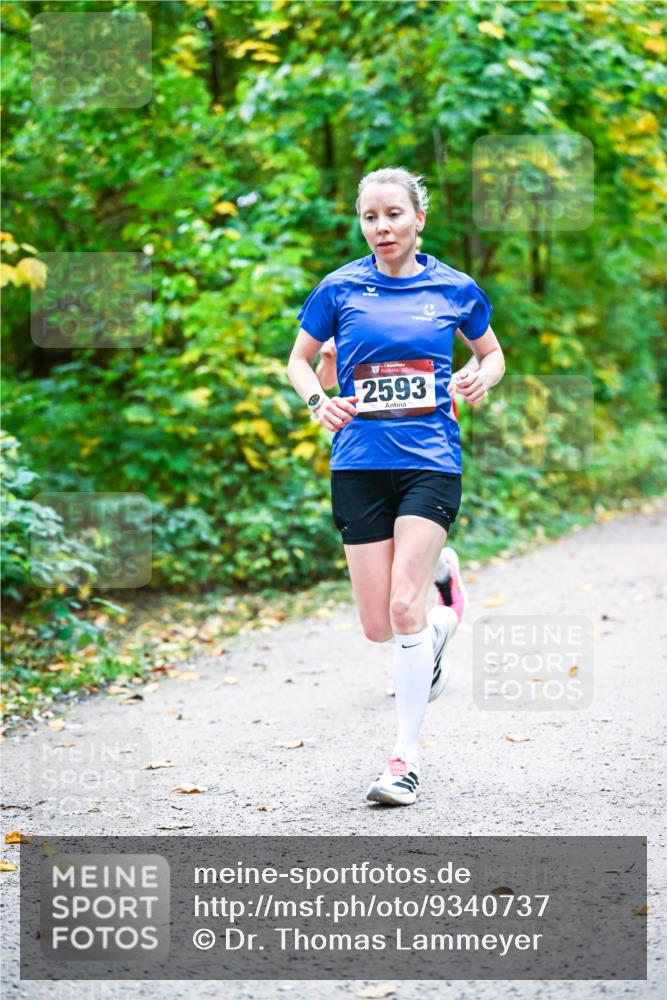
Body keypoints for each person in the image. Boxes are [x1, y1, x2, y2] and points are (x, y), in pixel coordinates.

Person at [287, 166, 505, 806]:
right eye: (370, 217)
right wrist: (317, 402)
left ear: (419, 219)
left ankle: (404, 759)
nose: (381, 227)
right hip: (358, 463)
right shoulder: (339, 288)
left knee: (401, 608)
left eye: (393, 215)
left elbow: (490, 353)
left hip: (430, 460)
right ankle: (441, 614)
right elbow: (300, 360)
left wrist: (480, 377)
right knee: (380, 627)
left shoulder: (455, 289)